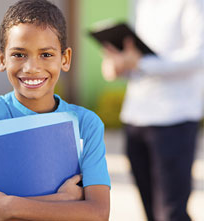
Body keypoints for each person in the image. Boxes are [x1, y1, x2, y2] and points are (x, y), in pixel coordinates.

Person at [0, 0, 111, 220]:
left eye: (46, 54)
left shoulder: (86, 124)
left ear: (65, 59)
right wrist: (63, 200)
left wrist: (5, 206)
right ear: (1, 59)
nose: (32, 67)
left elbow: (98, 213)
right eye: (19, 54)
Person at [101, 0, 204, 220]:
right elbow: (138, 55)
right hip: (136, 116)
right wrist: (120, 65)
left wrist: (140, 64)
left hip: (174, 118)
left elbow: (198, 55)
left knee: (170, 212)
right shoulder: (141, 3)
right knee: (149, 209)